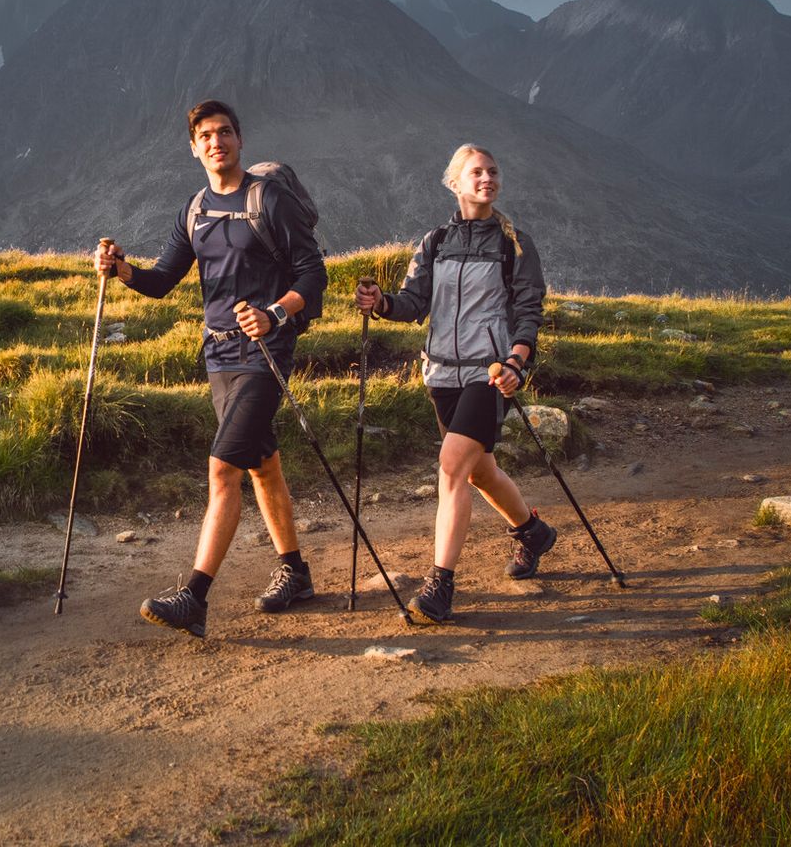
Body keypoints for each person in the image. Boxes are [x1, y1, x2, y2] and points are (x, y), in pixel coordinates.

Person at [95, 99, 327, 639]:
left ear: (240, 140)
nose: (216, 141)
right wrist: (120, 268)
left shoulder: (269, 199)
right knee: (261, 466)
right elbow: (161, 281)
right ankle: (296, 573)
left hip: (268, 352)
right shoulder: (194, 210)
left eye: (225, 132)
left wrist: (275, 313)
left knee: (222, 468)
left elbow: (312, 274)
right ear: (194, 148)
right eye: (206, 135)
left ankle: (194, 598)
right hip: (218, 355)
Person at [354, 144, 555, 624]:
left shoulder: (515, 244)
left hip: (490, 373)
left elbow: (528, 310)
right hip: (440, 372)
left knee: (451, 468)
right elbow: (413, 303)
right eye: (476, 172)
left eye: (492, 171)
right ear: (455, 183)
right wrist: (381, 303)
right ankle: (532, 532)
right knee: (479, 470)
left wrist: (516, 362)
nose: (487, 178)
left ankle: (440, 585)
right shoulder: (435, 241)